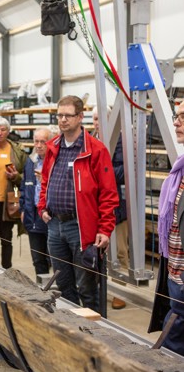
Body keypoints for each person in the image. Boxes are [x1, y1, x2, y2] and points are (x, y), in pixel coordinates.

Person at [38, 95, 119, 312]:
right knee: (63, 284)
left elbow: (108, 193)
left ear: (80, 117)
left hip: (81, 228)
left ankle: (96, 334)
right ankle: (73, 331)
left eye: (68, 115)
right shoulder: (53, 147)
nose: (63, 120)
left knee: (87, 287)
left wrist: (105, 228)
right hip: (55, 225)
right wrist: (42, 206)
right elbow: (46, 180)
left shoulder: (95, 150)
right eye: (59, 115)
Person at [153, 101, 184, 356]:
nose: (176, 122)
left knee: (174, 336)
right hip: (176, 270)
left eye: (183, 117)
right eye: (177, 116)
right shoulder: (180, 168)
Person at [92, 106, 127, 310]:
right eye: (95, 118)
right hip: (93, 205)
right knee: (97, 249)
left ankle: (119, 290)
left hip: (116, 204)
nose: (97, 122)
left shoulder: (120, 140)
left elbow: (124, 170)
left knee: (119, 249)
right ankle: (99, 288)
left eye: (101, 118)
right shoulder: (88, 139)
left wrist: (99, 172)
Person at [0, 117, 28, 268]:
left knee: (7, 238)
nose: (0, 133)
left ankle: (7, 269)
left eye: (3, 130)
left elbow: (25, 177)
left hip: (11, 198)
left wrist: (16, 176)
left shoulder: (17, 151)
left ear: (8, 131)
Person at [20, 127, 56, 277]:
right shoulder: (31, 162)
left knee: (54, 260)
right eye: (36, 141)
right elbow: (22, 187)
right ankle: (42, 291)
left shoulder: (56, 162)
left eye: (43, 141)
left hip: (51, 216)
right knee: (37, 259)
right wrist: (21, 208)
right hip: (33, 215)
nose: (39, 145)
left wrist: (47, 181)